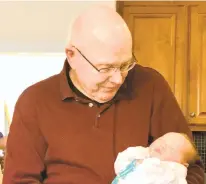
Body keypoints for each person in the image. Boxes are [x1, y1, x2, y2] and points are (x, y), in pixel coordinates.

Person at [3, 5, 204, 184]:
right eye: (105, 68)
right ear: (71, 55)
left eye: (125, 65)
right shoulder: (34, 102)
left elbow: (193, 169)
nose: (118, 79)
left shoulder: (151, 85)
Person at [112, 132, 199, 184]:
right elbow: (120, 166)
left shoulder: (172, 170)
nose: (162, 145)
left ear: (183, 164)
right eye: (162, 139)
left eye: (171, 148)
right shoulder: (142, 156)